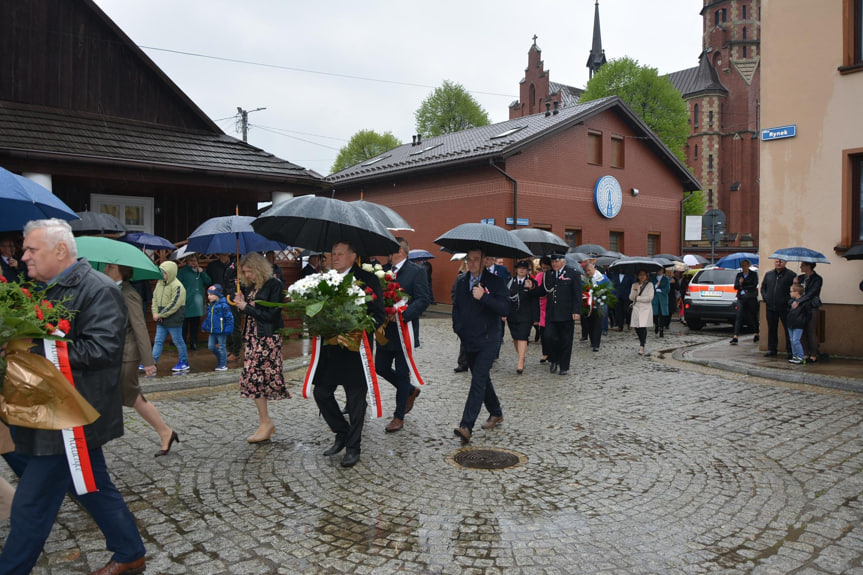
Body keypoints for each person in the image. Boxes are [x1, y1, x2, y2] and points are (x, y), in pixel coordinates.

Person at [0, 218, 146, 575]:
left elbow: (101, 351)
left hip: (71, 417)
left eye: (32, 249)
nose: (25, 256)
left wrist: (31, 346)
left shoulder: (98, 289)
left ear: (60, 250)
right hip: (52, 409)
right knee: (90, 487)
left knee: (31, 506)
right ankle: (130, 553)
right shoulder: (44, 287)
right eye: (25, 248)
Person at [313, 241, 384, 467]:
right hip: (331, 349)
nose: (335, 258)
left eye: (340, 254)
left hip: (356, 349)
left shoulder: (367, 280)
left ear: (353, 256)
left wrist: (356, 326)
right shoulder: (325, 280)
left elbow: (379, 315)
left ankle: (353, 447)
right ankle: (341, 432)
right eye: (333, 254)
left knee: (355, 400)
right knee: (321, 393)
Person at [103, 263, 179, 457]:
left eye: (109, 267)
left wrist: (148, 361)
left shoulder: (128, 293)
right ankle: (165, 432)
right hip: (116, 352)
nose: (105, 270)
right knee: (129, 395)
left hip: (127, 355)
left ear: (120, 270)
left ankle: (165, 431)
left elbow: (139, 327)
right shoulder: (113, 290)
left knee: (133, 396)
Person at [451, 248, 510, 443]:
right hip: (469, 339)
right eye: (469, 259)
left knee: (477, 380)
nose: (472, 263)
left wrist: (484, 296)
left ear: (485, 260)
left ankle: (466, 425)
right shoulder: (461, 282)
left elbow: (504, 308)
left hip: (489, 339)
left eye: (476, 259)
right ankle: (496, 412)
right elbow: (457, 308)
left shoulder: (495, 282)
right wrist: (458, 328)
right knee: (482, 378)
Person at [375, 238, 431, 433]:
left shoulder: (417, 272)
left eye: (391, 249)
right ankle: (409, 390)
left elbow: (424, 299)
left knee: (401, 372)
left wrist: (403, 315)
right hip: (385, 331)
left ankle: (398, 416)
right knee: (380, 367)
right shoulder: (383, 271)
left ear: (401, 251)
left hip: (403, 332)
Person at [233, 252, 290, 443]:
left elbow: (271, 315)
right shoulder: (253, 287)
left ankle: (266, 422)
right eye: (244, 272)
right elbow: (251, 312)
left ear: (258, 269)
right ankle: (264, 422)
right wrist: (241, 301)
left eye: (249, 271)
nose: (247, 275)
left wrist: (245, 307)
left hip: (267, 339)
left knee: (257, 379)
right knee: (253, 380)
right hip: (252, 338)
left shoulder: (275, 285)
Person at [535, 253, 582, 376]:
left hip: (566, 313)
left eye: (557, 262)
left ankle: (564, 366)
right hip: (552, 313)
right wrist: (531, 287)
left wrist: (576, 311)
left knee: (566, 340)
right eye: (553, 262)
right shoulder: (548, 275)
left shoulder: (573, 274)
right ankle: (554, 360)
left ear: (563, 262)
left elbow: (577, 294)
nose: (554, 264)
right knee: (549, 337)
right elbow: (542, 291)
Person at [151, 260, 190, 372]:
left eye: (164, 272)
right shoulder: (159, 283)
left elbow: (175, 304)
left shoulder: (178, 286)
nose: (162, 275)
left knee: (178, 340)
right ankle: (152, 363)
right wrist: (155, 313)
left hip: (174, 318)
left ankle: (184, 362)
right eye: (161, 272)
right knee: (158, 341)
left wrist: (160, 314)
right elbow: (155, 299)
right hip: (161, 318)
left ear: (171, 273)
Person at [760, 258, 796, 358]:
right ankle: (772, 349)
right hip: (770, 306)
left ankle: (790, 351)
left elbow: (795, 289)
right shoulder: (769, 274)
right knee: (772, 328)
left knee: (788, 329)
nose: (779, 263)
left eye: (781, 261)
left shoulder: (791, 275)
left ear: (785, 262)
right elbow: (763, 288)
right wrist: (766, 297)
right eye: (777, 261)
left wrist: (788, 301)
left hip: (785, 307)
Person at [506, 260, 536, 374]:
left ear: (528, 270)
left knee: (523, 336)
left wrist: (531, 288)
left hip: (526, 315)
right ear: (516, 270)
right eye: (519, 268)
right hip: (512, 315)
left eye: (524, 268)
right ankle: (521, 356)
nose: (522, 270)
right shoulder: (509, 281)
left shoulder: (531, 282)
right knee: (515, 337)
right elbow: (505, 297)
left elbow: (535, 299)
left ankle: (520, 361)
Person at [177, 254, 211, 351]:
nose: (193, 263)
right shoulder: (182, 272)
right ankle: (182, 344)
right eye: (191, 261)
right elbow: (177, 285)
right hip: (186, 302)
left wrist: (202, 273)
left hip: (197, 303)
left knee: (195, 325)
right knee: (184, 325)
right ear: (187, 262)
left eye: (195, 261)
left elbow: (208, 281)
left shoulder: (200, 272)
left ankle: (194, 343)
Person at [794, 261, 823, 363]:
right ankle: (805, 353)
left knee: (811, 330)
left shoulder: (817, 279)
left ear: (808, 266)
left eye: (803, 265)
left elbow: (812, 293)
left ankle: (813, 355)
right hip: (801, 307)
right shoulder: (801, 278)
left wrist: (800, 301)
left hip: (811, 306)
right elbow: (797, 290)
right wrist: (795, 283)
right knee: (802, 331)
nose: (801, 267)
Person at [202, 283, 234, 371]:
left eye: (211, 294)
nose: (209, 296)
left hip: (221, 330)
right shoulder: (211, 305)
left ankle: (223, 363)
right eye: (208, 294)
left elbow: (229, 317)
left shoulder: (224, 305)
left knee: (221, 346)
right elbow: (209, 317)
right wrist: (205, 325)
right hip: (212, 330)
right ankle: (221, 359)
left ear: (217, 295)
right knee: (211, 346)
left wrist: (228, 328)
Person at [730, 259, 759, 345]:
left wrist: (743, 284)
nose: (744, 267)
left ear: (748, 265)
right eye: (742, 265)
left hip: (751, 297)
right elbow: (736, 286)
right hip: (741, 298)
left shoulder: (753, 274)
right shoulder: (739, 275)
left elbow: (754, 285)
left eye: (745, 265)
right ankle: (735, 336)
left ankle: (756, 333)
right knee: (739, 316)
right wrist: (740, 284)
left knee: (753, 316)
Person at [582, 261, 610, 352]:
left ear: (594, 269)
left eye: (589, 270)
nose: (588, 272)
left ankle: (596, 344)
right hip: (588, 305)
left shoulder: (602, 278)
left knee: (597, 324)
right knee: (590, 324)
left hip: (599, 304)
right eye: (586, 271)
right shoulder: (584, 279)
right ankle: (592, 341)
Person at [630, 269, 656, 356]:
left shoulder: (650, 285)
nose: (642, 277)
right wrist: (634, 290)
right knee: (637, 327)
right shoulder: (635, 285)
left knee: (643, 327)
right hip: (637, 308)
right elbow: (631, 297)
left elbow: (649, 298)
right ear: (637, 276)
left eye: (644, 275)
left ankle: (642, 345)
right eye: (640, 275)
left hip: (645, 309)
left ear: (646, 276)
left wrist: (638, 298)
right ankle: (642, 340)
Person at [786, 283, 811, 364]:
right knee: (792, 340)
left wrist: (804, 321)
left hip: (799, 324)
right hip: (791, 323)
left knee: (796, 340)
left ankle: (801, 357)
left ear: (796, 292)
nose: (790, 293)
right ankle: (795, 356)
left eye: (791, 291)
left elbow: (808, 313)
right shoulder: (791, 302)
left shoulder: (804, 302)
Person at [533, 256, 551, 363]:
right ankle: (545, 353)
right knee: (543, 332)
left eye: (546, 268)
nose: (544, 270)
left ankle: (552, 351)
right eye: (543, 268)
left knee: (551, 333)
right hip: (541, 307)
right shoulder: (539, 276)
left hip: (550, 307)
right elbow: (536, 289)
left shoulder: (553, 276)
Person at [651, 267, 670, 338]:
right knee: (655, 314)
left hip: (663, 298)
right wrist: (656, 286)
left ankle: (661, 329)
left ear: (663, 270)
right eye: (658, 270)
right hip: (655, 299)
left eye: (660, 270)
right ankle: (656, 324)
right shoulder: (653, 278)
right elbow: (651, 287)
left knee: (662, 314)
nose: (659, 271)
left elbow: (667, 288)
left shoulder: (666, 279)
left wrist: (660, 290)